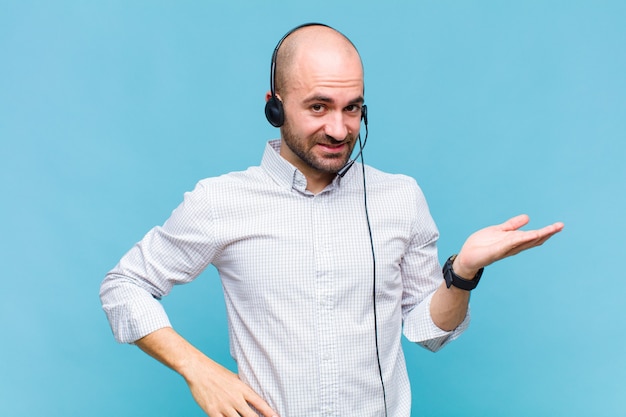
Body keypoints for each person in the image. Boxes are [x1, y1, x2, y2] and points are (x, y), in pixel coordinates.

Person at [100, 23, 564, 417]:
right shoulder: (221, 200)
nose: (340, 129)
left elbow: (427, 333)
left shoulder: (400, 197)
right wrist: (199, 370)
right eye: (318, 107)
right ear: (275, 106)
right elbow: (124, 284)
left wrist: (462, 273)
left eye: (353, 108)